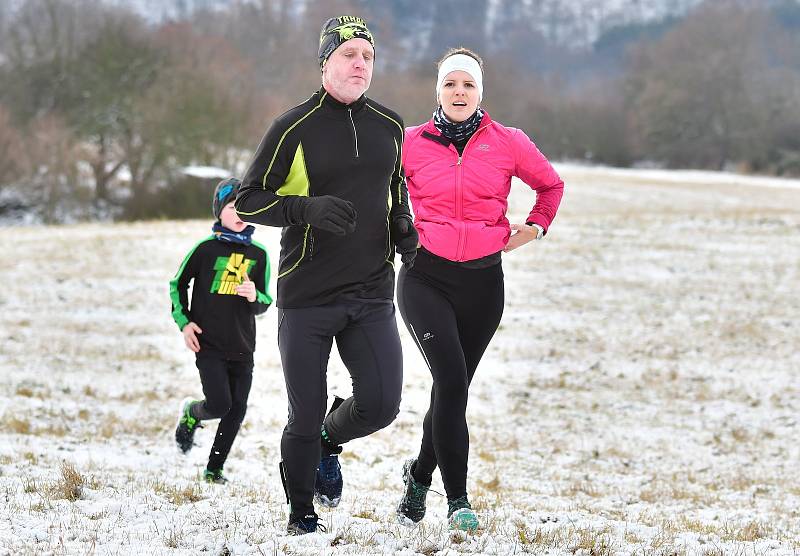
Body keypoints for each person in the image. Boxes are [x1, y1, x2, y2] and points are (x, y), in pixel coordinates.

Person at [235, 15, 417, 535]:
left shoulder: (391, 126)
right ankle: (301, 514)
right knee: (303, 410)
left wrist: (405, 233)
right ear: (324, 65)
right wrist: (304, 210)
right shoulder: (293, 126)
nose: (360, 64)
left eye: (368, 56)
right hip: (308, 295)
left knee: (382, 405)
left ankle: (328, 441)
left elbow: (397, 192)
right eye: (348, 54)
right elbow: (248, 200)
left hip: (371, 292)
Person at [395, 48, 564, 531]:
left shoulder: (508, 142)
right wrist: (397, 227)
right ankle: (458, 502)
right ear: (439, 91)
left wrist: (536, 227)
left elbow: (551, 187)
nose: (459, 93)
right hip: (425, 277)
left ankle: (418, 478)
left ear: (479, 92)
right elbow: (380, 192)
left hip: (484, 282)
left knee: (454, 389)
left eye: (468, 85)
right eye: (451, 84)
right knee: (451, 382)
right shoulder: (409, 142)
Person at [170, 177, 273, 484]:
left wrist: (255, 295)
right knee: (218, 405)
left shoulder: (259, 254)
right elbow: (177, 284)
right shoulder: (204, 249)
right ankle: (192, 413)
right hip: (209, 343)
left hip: (243, 346)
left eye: (245, 207)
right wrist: (184, 323)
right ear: (219, 211)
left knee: (236, 410)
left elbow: (266, 301)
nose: (239, 212)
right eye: (232, 206)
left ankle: (214, 469)